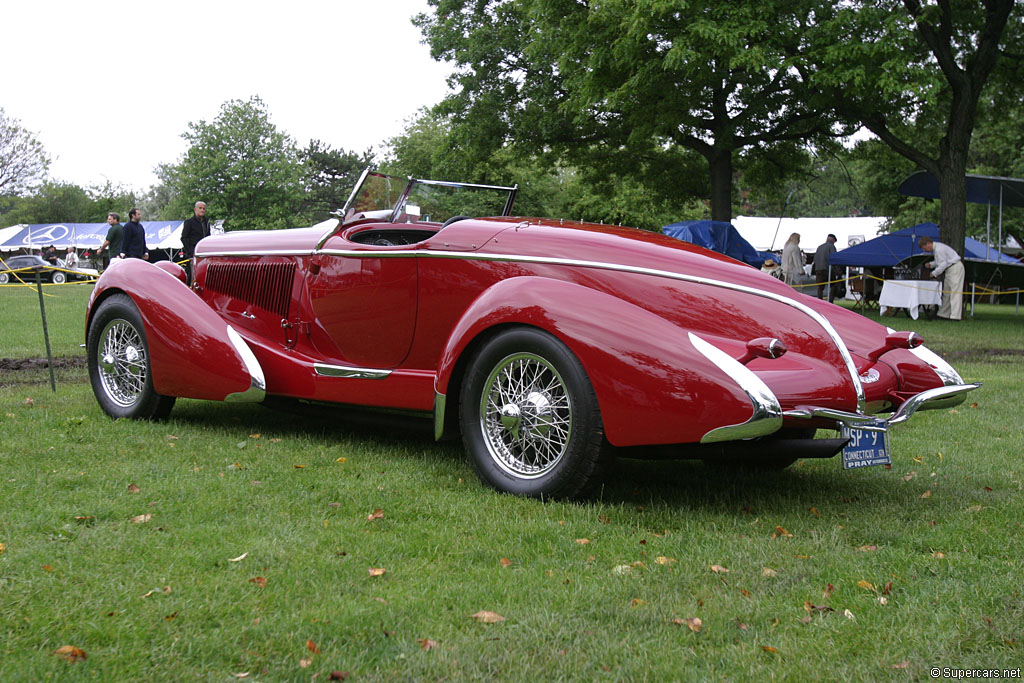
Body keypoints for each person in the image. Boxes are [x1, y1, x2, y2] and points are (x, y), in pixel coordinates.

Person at [919, 236, 964, 320]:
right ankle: (943, 314)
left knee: (955, 292)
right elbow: (940, 261)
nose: (924, 250)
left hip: (955, 268)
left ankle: (955, 316)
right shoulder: (937, 249)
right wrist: (931, 264)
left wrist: (933, 273)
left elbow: (943, 264)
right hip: (949, 269)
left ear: (928, 244)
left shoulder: (939, 249)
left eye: (924, 248)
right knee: (947, 292)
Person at [180, 200, 210, 283]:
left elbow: (208, 237)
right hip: (192, 254)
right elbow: (184, 238)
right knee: (191, 276)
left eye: (204, 208)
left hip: (204, 254)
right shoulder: (189, 222)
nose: (202, 210)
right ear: (195, 209)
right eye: (200, 208)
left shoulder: (207, 222)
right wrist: (190, 252)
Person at [813, 233, 838, 301]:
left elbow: (815, 259)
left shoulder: (819, 247)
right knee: (833, 285)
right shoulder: (831, 246)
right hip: (827, 269)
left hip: (818, 269)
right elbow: (834, 258)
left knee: (820, 287)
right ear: (833, 240)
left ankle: (820, 301)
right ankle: (830, 301)